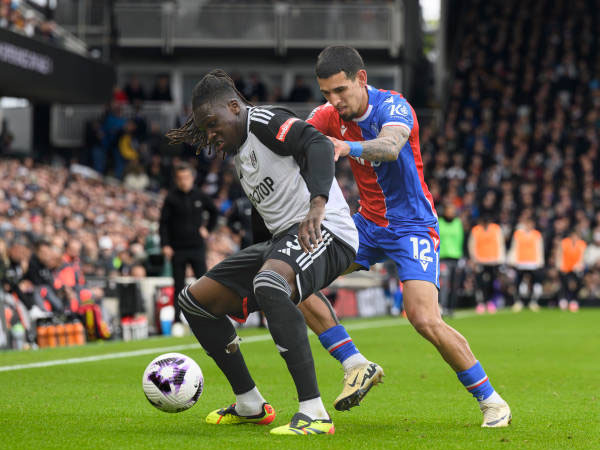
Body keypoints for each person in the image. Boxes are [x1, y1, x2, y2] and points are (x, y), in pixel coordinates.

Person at [302, 45, 511, 427]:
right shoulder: (329, 115)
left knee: (423, 318)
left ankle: (492, 401)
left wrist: (345, 146)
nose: (334, 101)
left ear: (361, 79)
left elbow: (391, 146)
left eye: (340, 91)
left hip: (412, 226)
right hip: (365, 225)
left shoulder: (393, 107)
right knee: (296, 279)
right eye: (326, 94)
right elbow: (294, 138)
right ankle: (356, 364)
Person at [166, 69, 364, 435]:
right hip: (282, 239)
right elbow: (266, 218)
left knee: (270, 283)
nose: (211, 135)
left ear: (234, 106)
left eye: (213, 123)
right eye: (204, 130)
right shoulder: (241, 153)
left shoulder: (265, 121)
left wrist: (318, 205)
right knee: (194, 300)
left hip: (327, 230)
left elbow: (318, 145)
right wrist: (247, 268)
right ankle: (250, 403)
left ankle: (314, 412)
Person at [159, 163, 218, 336]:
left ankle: (209, 318)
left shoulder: (200, 196)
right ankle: (177, 321)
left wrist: (208, 229)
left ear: (192, 178)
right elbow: (163, 224)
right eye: (180, 178)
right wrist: (165, 244)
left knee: (204, 283)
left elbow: (214, 212)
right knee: (178, 285)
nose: (184, 181)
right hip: (177, 249)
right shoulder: (171, 198)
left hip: (197, 247)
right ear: (176, 180)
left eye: (186, 177)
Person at [468, 214, 506, 314]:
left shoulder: (496, 229)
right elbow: (472, 245)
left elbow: (500, 244)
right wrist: (474, 259)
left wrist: (500, 258)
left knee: (492, 282)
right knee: (480, 283)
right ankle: (481, 302)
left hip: (493, 261)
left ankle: (490, 302)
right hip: (480, 261)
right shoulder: (476, 230)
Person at [507, 217, 544, 312]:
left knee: (534, 283)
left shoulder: (537, 235)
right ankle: (518, 302)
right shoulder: (518, 234)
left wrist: (540, 261)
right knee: (518, 282)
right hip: (521, 262)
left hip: (533, 262)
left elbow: (539, 248)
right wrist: (512, 259)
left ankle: (533, 302)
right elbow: (514, 247)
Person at [438, 202, 465, 316]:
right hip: (443, 257)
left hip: (456, 257)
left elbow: (461, 239)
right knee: (444, 285)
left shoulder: (458, 223)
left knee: (454, 284)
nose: (451, 212)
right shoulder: (439, 222)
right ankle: (442, 307)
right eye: (449, 210)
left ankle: (451, 308)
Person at [556, 229, 586, 312]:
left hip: (576, 268)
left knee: (577, 284)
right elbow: (559, 254)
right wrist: (559, 265)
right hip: (565, 268)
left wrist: (579, 265)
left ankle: (574, 300)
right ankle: (563, 300)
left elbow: (582, 257)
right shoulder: (564, 243)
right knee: (564, 284)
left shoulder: (581, 244)